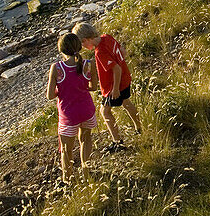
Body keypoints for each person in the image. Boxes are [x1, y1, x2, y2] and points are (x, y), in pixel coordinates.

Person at [72, 22, 144, 151]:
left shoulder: (100, 52)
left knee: (104, 112)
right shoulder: (107, 37)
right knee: (126, 103)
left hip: (113, 85)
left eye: (82, 44)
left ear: (87, 39)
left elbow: (116, 69)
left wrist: (115, 88)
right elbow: (123, 51)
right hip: (125, 78)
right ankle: (139, 128)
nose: (83, 47)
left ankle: (117, 142)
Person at [46, 32, 98, 184]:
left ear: (61, 50)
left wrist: (62, 90)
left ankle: (67, 180)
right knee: (85, 140)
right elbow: (93, 87)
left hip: (68, 116)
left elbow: (50, 95)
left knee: (66, 150)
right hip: (87, 111)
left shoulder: (56, 68)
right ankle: (86, 171)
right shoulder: (88, 64)